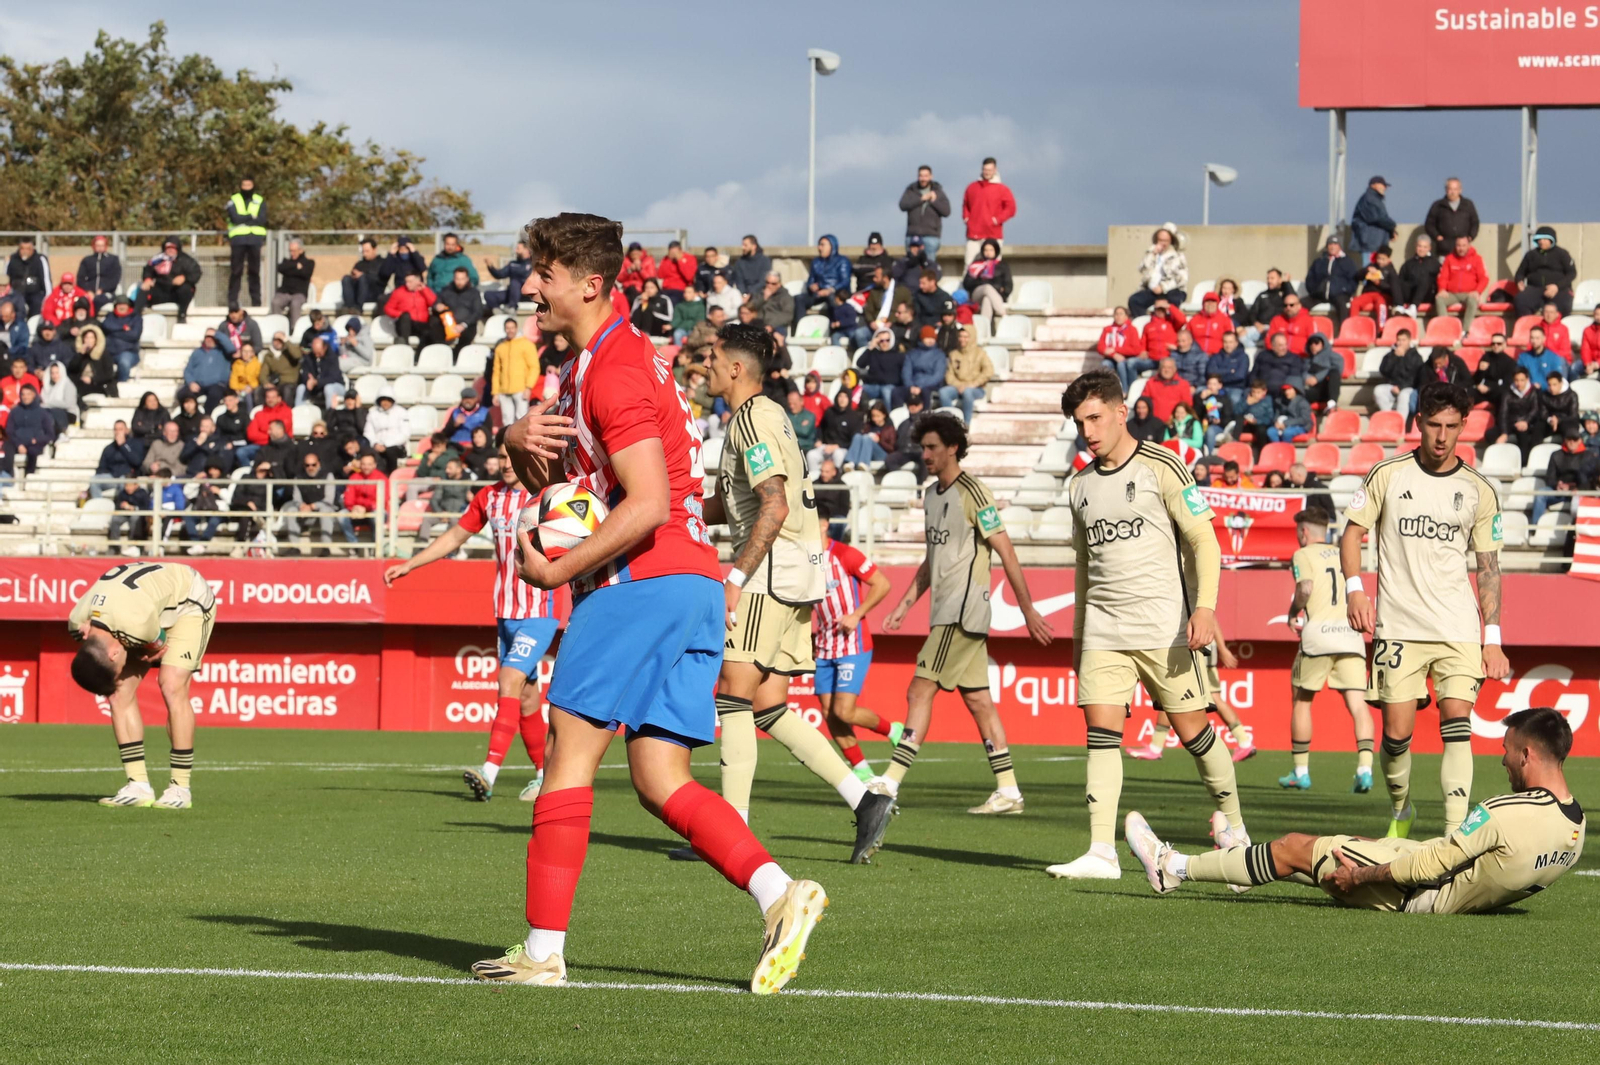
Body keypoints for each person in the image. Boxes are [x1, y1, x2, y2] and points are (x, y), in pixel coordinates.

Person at [477, 213, 824, 993]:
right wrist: (515, 446)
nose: (532, 284)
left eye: (545, 272)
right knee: (660, 776)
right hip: (692, 586)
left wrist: (556, 570)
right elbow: (576, 495)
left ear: (590, 284)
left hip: (642, 582)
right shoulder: (604, 362)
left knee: (568, 750)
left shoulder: (615, 369)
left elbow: (646, 503)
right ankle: (781, 894)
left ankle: (542, 950)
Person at [676, 323, 897, 864]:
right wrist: (676, 508)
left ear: (734, 368)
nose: (704, 365)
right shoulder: (769, 415)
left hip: (769, 571)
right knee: (769, 705)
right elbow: (751, 501)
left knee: (731, 690)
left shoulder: (750, 419)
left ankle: (730, 837)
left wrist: (734, 579)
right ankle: (865, 798)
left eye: (711, 357)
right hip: (799, 568)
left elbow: (771, 505)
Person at [1049, 370, 1242, 880]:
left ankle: (1238, 833)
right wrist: (1079, 635)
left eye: (1094, 418)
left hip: (1165, 628)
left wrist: (1204, 608)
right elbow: (1085, 570)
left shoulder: (1163, 466)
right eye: (1079, 422)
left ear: (1120, 412)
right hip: (1104, 631)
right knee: (1100, 733)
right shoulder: (1081, 486)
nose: (1087, 430)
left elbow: (1204, 540)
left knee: (1194, 732)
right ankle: (1101, 852)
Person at [1127, 706, 1584, 914]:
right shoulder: (1575, 826)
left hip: (1420, 891)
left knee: (1292, 848)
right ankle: (1240, 865)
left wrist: (1361, 876)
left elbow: (1435, 863)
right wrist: (1388, 847)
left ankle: (1172, 867)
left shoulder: (1504, 811)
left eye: (1506, 751)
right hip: (1445, 884)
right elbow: (1474, 861)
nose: (1501, 760)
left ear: (1527, 755)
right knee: (1332, 847)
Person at [1343, 383, 1508, 838]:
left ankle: (1455, 835)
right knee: (1396, 737)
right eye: (1434, 425)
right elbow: (1350, 533)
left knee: (1457, 723)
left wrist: (1491, 639)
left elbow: (1489, 568)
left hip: (1457, 626)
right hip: (1398, 626)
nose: (1441, 436)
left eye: (1451, 426)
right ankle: (1401, 811)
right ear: (1418, 422)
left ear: (1463, 427)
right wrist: (1355, 590)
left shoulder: (1478, 490)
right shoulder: (1388, 474)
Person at [867, 412, 1050, 814]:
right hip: (943, 611)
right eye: (923, 447)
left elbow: (1005, 549)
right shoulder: (932, 496)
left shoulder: (975, 492)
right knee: (979, 701)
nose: (926, 454)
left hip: (962, 613)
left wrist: (1028, 609)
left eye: (933, 447)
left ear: (953, 448)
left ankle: (891, 782)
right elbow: (932, 561)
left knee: (919, 690)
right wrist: (903, 604)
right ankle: (1008, 790)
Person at [386, 437, 558, 798]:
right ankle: (545, 776)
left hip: (538, 611)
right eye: (501, 458)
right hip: (504, 613)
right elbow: (454, 536)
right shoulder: (488, 498)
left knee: (508, 679)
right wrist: (410, 565)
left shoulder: (546, 494)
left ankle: (489, 771)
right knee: (526, 700)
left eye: (513, 457)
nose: (507, 464)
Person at [67, 563, 216, 809]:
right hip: (138, 610)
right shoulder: (77, 624)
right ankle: (138, 786)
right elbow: (95, 645)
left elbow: (159, 644)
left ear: (116, 653)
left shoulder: (137, 629)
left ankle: (180, 788)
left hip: (188, 601)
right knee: (118, 694)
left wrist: (152, 648)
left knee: (171, 685)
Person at [1271, 507, 1377, 791]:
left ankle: (1301, 771)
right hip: (1351, 636)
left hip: (1319, 637)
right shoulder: (1345, 550)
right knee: (1358, 705)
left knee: (1303, 701)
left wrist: (1294, 610)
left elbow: (1304, 588)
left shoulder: (1303, 555)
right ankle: (1365, 769)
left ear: (1303, 532)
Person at [812, 519, 901, 781]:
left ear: (824, 524)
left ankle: (893, 730)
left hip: (853, 644)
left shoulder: (844, 554)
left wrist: (856, 614)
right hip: (825, 645)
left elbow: (882, 584)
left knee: (844, 711)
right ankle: (862, 770)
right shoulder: (805, 560)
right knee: (829, 714)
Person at [1128, 621, 1256, 764]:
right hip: (1199, 645)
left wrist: (1223, 649)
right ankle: (1244, 742)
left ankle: (1156, 747)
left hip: (1197, 646)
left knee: (1172, 692)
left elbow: (1211, 618)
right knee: (1196, 695)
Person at [1532, 425, 1598, 525]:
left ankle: (1575, 533)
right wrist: (1557, 485)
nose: (1572, 442)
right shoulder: (1556, 455)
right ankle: (1534, 528)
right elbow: (1550, 477)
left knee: (1577, 504)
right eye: (1569, 439)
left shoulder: (1588, 456)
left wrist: (1578, 489)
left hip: (1579, 491)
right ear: (1565, 440)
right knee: (1541, 494)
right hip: (1560, 490)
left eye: (1575, 439)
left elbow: (1591, 479)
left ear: (1580, 440)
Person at [1512, 226, 1576, 320]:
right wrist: (1519, 281)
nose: (1542, 241)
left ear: (1552, 240)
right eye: (1539, 239)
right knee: (1520, 300)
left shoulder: (1562, 254)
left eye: (1545, 239)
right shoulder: (1530, 255)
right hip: (1535, 289)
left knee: (1564, 304)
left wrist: (1557, 286)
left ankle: (1558, 330)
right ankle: (1528, 328)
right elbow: (1520, 273)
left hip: (1559, 289)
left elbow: (1572, 273)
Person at [961, 157, 1015, 266]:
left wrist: (996, 220)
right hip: (974, 235)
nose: (987, 172)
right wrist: (967, 219)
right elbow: (965, 205)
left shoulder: (1002, 189)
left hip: (993, 234)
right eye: (985, 169)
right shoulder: (972, 187)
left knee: (993, 267)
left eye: (990, 170)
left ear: (995, 170)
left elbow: (1011, 208)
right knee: (970, 266)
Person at [1433, 236, 1488, 340]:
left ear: (1469, 246)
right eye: (1458, 245)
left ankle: (1465, 331)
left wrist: (1477, 291)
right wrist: (1442, 289)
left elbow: (1484, 278)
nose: (1461, 248)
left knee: (1473, 301)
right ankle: (1447, 331)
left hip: (1469, 293)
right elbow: (1442, 276)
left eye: (1463, 245)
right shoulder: (1449, 258)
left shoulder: (1477, 259)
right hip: (1452, 293)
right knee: (1439, 299)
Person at [1128, 224, 1187, 318]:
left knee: (1172, 302)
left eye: (1165, 240)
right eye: (1160, 240)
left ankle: (1168, 327)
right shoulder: (1152, 253)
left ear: (1171, 240)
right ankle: (1144, 325)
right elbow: (1142, 268)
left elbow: (1182, 279)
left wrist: (1163, 287)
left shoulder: (1178, 256)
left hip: (1171, 291)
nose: (1162, 243)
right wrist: (1152, 254)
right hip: (1152, 291)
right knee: (1134, 300)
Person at [224, 178, 267, 306]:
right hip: (238, 239)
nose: (246, 187)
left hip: (255, 239)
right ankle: (232, 301)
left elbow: (262, 220)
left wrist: (244, 218)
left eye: (249, 185)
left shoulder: (259, 200)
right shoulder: (233, 199)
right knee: (236, 271)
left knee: (254, 271)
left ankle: (256, 302)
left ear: (253, 185)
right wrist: (251, 216)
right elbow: (235, 218)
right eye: (244, 185)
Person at [491, 316, 539, 426]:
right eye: (507, 328)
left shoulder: (526, 345)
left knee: (521, 419)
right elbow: (496, 371)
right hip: (504, 390)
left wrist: (528, 387)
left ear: (517, 328)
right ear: (504, 329)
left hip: (520, 389)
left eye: (512, 328)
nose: (510, 330)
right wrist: (495, 392)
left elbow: (534, 367)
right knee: (507, 420)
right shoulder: (500, 347)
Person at [940, 326, 993, 424]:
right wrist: (959, 385)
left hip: (976, 388)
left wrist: (972, 384)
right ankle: (950, 422)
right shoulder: (954, 354)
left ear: (971, 338)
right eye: (960, 336)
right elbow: (949, 375)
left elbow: (988, 371)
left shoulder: (980, 353)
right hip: (958, 387)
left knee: (968, 392)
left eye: (966, 337)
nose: (962, 339)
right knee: (944, 392)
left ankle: (966, 424)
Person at [1304, 236, 1358, 331]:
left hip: (1338, 295)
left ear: (1339, 246)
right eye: (1330, 244)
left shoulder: (1347, 262)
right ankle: (1301, 330)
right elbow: (1310, 278)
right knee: (1298, 305)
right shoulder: (1319, 261)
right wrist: (1314, 290)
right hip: (1319, 295)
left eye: (1335, 244)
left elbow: (1354, 280)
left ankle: (1344, 333)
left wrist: (1345, 290)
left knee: (1343, 308)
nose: (1332, 247)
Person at [142, 238, 201, 323]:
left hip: (177, 292)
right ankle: (138, 314)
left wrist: (184, 278)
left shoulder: (186, 260)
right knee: (144, 289)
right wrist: (147, 279)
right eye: (168, 248)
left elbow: (196, 272)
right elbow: (148, 270)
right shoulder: (158, 259)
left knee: (186, 289)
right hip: (162, 289)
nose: (170, 250)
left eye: (173, 248)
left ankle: (182, 315)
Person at [899, 165, 952, 257]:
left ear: (931, 176)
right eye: (921, 176)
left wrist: (933, 201)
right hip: (912, 235)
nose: (923, 179)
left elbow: (946, 212)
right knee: (911, 266)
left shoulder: (938, 192)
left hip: (931, 236)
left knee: (929, 268)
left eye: (926, 176)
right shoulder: (911, 190)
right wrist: (921, 199)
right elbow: (903, 205)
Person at [796, 234, 850, 324]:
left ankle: (833, 328)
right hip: (819, 294)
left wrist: (830, 290)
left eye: (822, 245)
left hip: (836, 293)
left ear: (831, 246)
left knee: (832, 299)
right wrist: (811, 286)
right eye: (819, 245)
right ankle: (799, 327)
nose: (819, 248)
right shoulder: (816, 262)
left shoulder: (842, 261)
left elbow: (845, 281)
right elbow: (811, 280)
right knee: (799, 299)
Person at [5, 383, 54, 475]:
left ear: (34, 395)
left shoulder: (43, 413)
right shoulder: (15, 412)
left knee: (33, 451)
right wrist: (18, 444)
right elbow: (9, 431)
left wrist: (37, 440)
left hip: (34, 443)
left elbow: (50, 434)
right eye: (23, 394)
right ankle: (8, 475)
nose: (25, 397)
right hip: (17, 442)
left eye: (28, 394)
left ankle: (29, 476)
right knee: (7, 446)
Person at [1497, 368, 1544, 463]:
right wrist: (1504, 432)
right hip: (1512, 422)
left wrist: (1526, 421)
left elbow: (1535, 410)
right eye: (1516, 380)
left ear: (1527, 379)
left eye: (1522, 380)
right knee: (1490, 435)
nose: (1519, 383)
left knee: (1524, 436)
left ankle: (1524, 463)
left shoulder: (1534, 391)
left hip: (1529, 423)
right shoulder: (1508, 392)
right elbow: (1503, 412)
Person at [1423, 176, 1480, 251]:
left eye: (1455, 189)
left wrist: (1470, 236)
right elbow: (1429, 224)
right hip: (1444, 250)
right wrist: (1437, 237)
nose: (1453, 192)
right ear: (1446, 190)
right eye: (1450, 189)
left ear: (1460, 190)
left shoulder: (1468, 205)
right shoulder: (1438, 205)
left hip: (1463, 251)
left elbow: (1475, 222)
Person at [1350, 175, 1398, 263]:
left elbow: (1380, 219)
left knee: (1375, 274)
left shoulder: (1374, 198)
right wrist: (1392, 226)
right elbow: (1377, 218)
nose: (1385, 188)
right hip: (1370, 243)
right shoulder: (1369, 198)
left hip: (1375, 243)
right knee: (1370, 272)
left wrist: (1391, 231)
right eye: (1383, 185)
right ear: (1374, 185)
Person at [1098, 305, 1147, 391]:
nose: (1118, 316)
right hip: (1111, 358)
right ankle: (1106, 390)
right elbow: (1100, 347)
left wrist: (1116, 349)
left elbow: (1136, 349)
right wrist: (1114, 355)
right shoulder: (1108, 329)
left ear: (1126, 316)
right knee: (1105, 365)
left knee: (1121, 364)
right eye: (1116, 314)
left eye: (1121, 314)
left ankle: (1125, 390)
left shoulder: (1132, 329)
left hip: (1126, 358)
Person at [1349, 244, 1399, 327]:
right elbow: (1357, 276)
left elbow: (1393, 289)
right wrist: (1366, 271)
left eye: (1383, 259)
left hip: (1383, 295)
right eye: (1379, 258)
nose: (1380, 261)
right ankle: (1353, 326)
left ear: (1388, 259)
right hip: (1369, 293)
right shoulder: (1372, 265)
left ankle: (1381, 329)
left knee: (1381, 305)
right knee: (1355, 302)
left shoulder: (1391, 271)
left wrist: (1379, 283)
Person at [899, 325, 947, 410]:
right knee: (896, 392)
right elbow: (906, 372)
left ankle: (925, 416)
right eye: (927, 338)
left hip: (930, 385)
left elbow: (938, 375)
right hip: (913, 384)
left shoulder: (939, 355)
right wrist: (910, 386)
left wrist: (920, 386)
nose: (930, 340)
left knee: (925, 392)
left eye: (932, 338)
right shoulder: (912, 354)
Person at [1242, 267, 1295, 344]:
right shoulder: (1262, 295)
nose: (1269, 281)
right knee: (1241, 336)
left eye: (1272, 278)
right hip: (1260, 327)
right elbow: (1252, 313)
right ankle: (1259, 348)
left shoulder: (1285, 294)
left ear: (1280, 279)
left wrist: (1287, 283)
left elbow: (1293, 299)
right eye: (1268, 278)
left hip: (1278, 328)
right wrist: (1257, 324)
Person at [270, 240, 315, 330]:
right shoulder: (286, 261)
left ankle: (295, 329)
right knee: (275, 302)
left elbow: (306, 273)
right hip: (284, 292)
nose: (292, 253)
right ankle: (277, 329)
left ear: (301, 250)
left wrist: (291, 269)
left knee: (295, 304)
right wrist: (296, 267)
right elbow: (281, 268)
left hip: (299, 293)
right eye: (290, 251)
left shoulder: (309, 262)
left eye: (294, 251)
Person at [1374, 329, 1421, 413]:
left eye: (1403, 340)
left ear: (1409, 341)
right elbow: (1384, 371)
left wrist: (1401, 387)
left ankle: (1401, 423)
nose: (1400, 343)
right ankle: (1389, 416)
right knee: (1378, 390)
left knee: (1404, 395)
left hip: (1408, 388)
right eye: (1398, 340)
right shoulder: (1390, 355)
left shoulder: (1416, 357)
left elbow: (1416, 377)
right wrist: (1395, 357)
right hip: (1392, 386)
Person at [436, 267, 483, 351]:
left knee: (466, 339)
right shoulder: (447, 291)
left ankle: (455, 357)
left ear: (467, 279)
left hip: (467, 325)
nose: (459, 282)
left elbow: (478, 312)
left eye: (462, 279)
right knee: (433, 331)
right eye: (457, 279)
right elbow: (437, 302)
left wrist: (464, 324)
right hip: (448, 324)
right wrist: (437, 306)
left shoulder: (474, 293)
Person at [843, 400, 897, 471]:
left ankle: (864, 463)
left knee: (867, 438)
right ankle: (850, 461)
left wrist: (879, 441)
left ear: (884, 415)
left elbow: (892, 449)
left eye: (878, 416)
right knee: (857, 436)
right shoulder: (868, 426)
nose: (875, 419)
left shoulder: (889, 428)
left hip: (882, 454)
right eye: (873, 416)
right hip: (867, 453)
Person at [384, 273, 437, 345]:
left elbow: (434, 303)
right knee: (405, 316)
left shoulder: (424, 291)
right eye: (406, 281)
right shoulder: (399, 292)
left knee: (429, 332)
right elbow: (388, 308)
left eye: (410, 282)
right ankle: (405, 345)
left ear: (418, 282)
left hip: (420, 324)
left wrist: (425, 290)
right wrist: (400, 314)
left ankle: (421, 354)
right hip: (405, 323)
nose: (407, 284)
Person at [483, 241, 534, 314]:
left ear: (526, 250)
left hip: (528, 294)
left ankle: (511, 307)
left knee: (515, 281)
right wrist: (491, 267)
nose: (516, 250)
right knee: (488, 295)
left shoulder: (534, 263)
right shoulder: (513, 264)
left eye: (518, 248)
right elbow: (499, 274)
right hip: (513, 293)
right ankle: (498, 312)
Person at [1395, 235, 1440, 316]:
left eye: (1425, 247)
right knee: (1396, 280)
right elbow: (1401, 279)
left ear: (1429, 248)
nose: (1421, 249)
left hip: (1427, 295)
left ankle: (1413, 307)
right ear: (1416, 246)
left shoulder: (1435, 263)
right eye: (1419, 246)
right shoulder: (1408, 264)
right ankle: (1399, 306)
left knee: (1424, 278)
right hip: (1410, 294)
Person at [298, 336, 345, 409]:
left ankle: (330, 415)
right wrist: (308, 380)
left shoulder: (332, 358)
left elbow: (333, 377)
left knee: (328, 388)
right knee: (301, 388)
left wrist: (317, 382)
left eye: (319, 353)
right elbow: (305, 372)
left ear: (325, 348)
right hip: (316, 388)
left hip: (335, 385)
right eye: (315, 353)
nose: (317, 355)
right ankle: (299, 414)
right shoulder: (308, 358)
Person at [1142, 356, 1193, 424]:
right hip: (1153, 424)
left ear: (1175, 369)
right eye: (1164, 367)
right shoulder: (1151, 383)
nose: (1166, 370)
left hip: (1175, 423)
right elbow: (1143, 403)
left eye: (1169, 368)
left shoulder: (1183, 384)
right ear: (1159, 369)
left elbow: (1187, 406)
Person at [341, 238, 385, 312]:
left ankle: (358, 308)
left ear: (374, 249)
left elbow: (379, 279)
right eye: (363, 251)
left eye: (367, 251)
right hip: (358, 292)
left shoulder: (382, 263)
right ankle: (348, 307)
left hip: (373, 292)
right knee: (346, 278)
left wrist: (363, 275)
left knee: (362, 278)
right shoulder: (360, 264)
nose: (364, 254)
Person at [748, 271, 793, 336]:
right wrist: (763, 299)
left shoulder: (785, 296)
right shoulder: (759, 293)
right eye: (767, 283)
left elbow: (787, 315)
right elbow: (751, 308)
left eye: (773, 284)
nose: (769, 286)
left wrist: (771, 325)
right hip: (758, 324)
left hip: (777, 326)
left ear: (779, 284)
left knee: (777, 336)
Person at [1541, 370, 1580, 440]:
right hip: (1550, 422)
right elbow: (1543, 414)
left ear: (1561, 383)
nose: (1551, 388)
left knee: (1570, 430)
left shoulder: (1572, 395)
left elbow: (1573, 415)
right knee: (1537, 428)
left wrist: (1558, 420)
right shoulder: (1545, 395)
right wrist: (1550, 420)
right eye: (1549, 385)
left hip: (1567, 422)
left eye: (1554, 384)